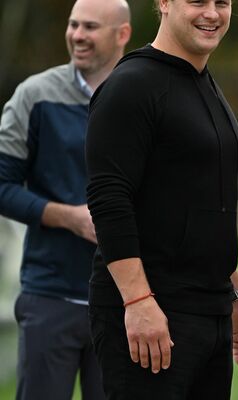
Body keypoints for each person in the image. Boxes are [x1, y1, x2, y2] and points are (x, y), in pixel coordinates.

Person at [85, 0, 238, 398]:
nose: (211, 13)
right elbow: (108, 200)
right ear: (164, 3)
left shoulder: (201, 80)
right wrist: (138, 302)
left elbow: (201, 208)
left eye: (221, 3)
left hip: (209, 313)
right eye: (197, 1)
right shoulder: (132, 84)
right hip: (153, 315)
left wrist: (237, 296)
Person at [0, 0, 130, 398]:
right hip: (49, 297)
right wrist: (66, 217)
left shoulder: (143, 98)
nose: (77, 35)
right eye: (73, 25)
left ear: (121, 34)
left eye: (90, 27)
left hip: (126, 303)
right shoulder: (34, 96)